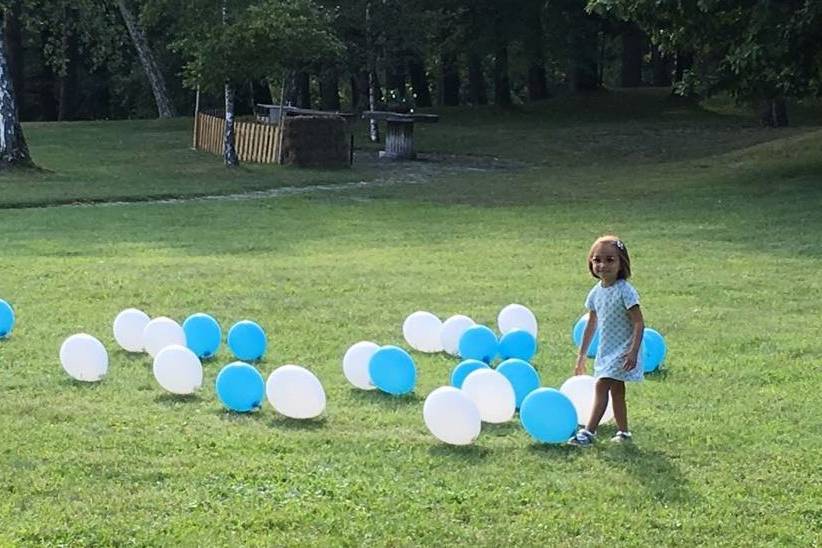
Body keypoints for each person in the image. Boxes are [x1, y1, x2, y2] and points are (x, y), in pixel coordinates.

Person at [569, 235, 645, 446]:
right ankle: (624, 432)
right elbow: (590, 325)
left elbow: (639, 323)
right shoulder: (595, 293)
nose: (603, 265)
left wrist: (633, 351)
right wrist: (581, 355)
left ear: (622, 263)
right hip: (607, 349)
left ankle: (588, 433)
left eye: (610, 260)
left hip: (624, 348)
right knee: (617, 389)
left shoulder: (625, 291)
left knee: (602, 385)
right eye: (597, 260)